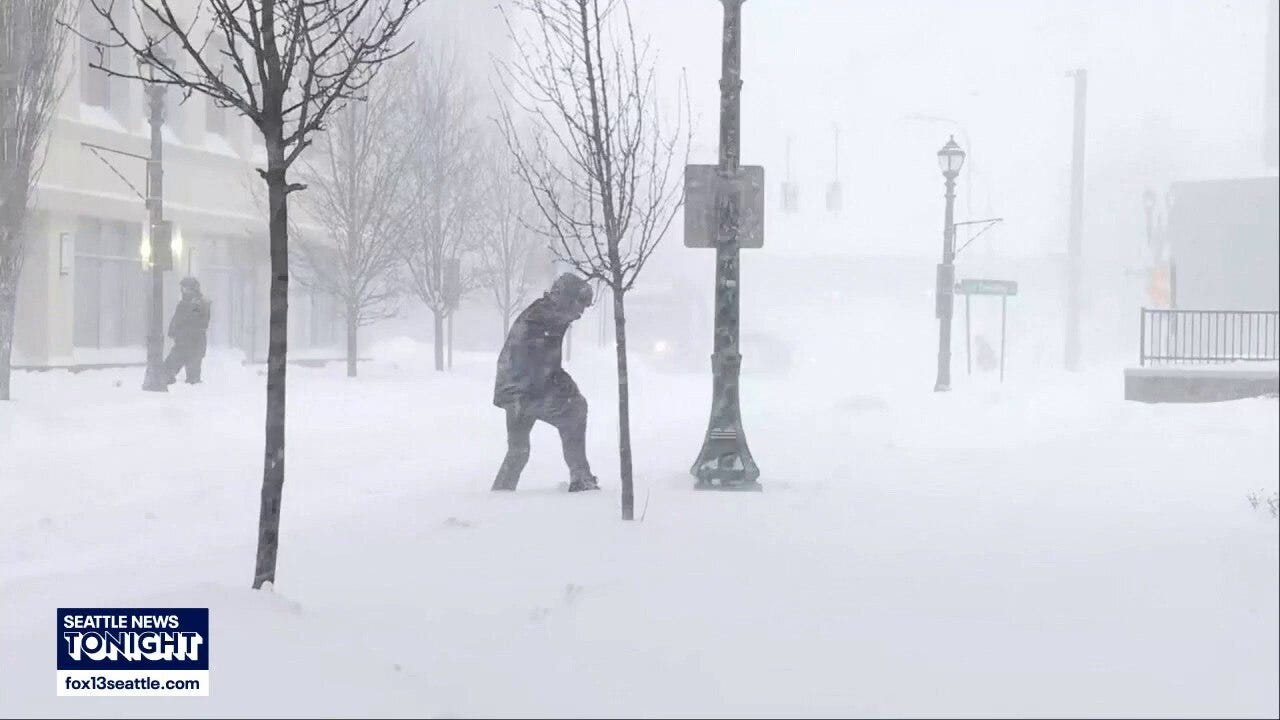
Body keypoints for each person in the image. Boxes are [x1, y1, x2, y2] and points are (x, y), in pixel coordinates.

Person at [492, 273, 599, 492]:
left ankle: (500, 494)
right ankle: (581, 477)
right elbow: (538, 363)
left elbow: (542, 364)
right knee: (575, 410)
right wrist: (561, 384)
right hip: (524, 391)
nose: (580, 314)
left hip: (516, 389)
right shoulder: (545, 316)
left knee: (518, 451)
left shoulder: (544, 313)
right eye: (580, 306)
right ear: (567, 298)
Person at [165, 277, 211, 385]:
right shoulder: (183, 303)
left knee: (193, 377)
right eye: (182, 288)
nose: (183, 290)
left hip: (193, 343)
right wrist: (173, 331)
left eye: (185, 288)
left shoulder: (200, 303)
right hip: (183, 343)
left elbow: (200, 322)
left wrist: (179, 330)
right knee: (167, 371)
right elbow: (177, 318)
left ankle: (192, 396)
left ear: (193, 289)